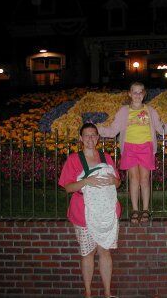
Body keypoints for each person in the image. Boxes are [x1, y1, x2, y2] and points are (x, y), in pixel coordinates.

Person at [59, 123, 121, 298]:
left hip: (106, 213)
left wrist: (112, 181)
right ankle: (88, 293)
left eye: (93, 135)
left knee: (105, 252)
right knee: (88, 253)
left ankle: (107, 293)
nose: (90, 139)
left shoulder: (106, 157)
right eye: (86, 135)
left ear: (98, 138)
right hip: (83, 213)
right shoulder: (73, 159)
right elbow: (68, 188)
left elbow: (118, 182)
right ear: (80, 138)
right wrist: (87, 181)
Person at [97, 81, 167, 224]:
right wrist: (97, 129)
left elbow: (160, 128)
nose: (137, 95)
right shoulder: (124, 111)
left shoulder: (150, 110)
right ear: (130, 94)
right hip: (130, 148)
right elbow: (113, 130)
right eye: (135, 92)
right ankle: (135, 209)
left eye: (140, 92)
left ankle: (145, 209)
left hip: (146, 147)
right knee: (134, 179)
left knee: (144, 179)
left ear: (144, 94)